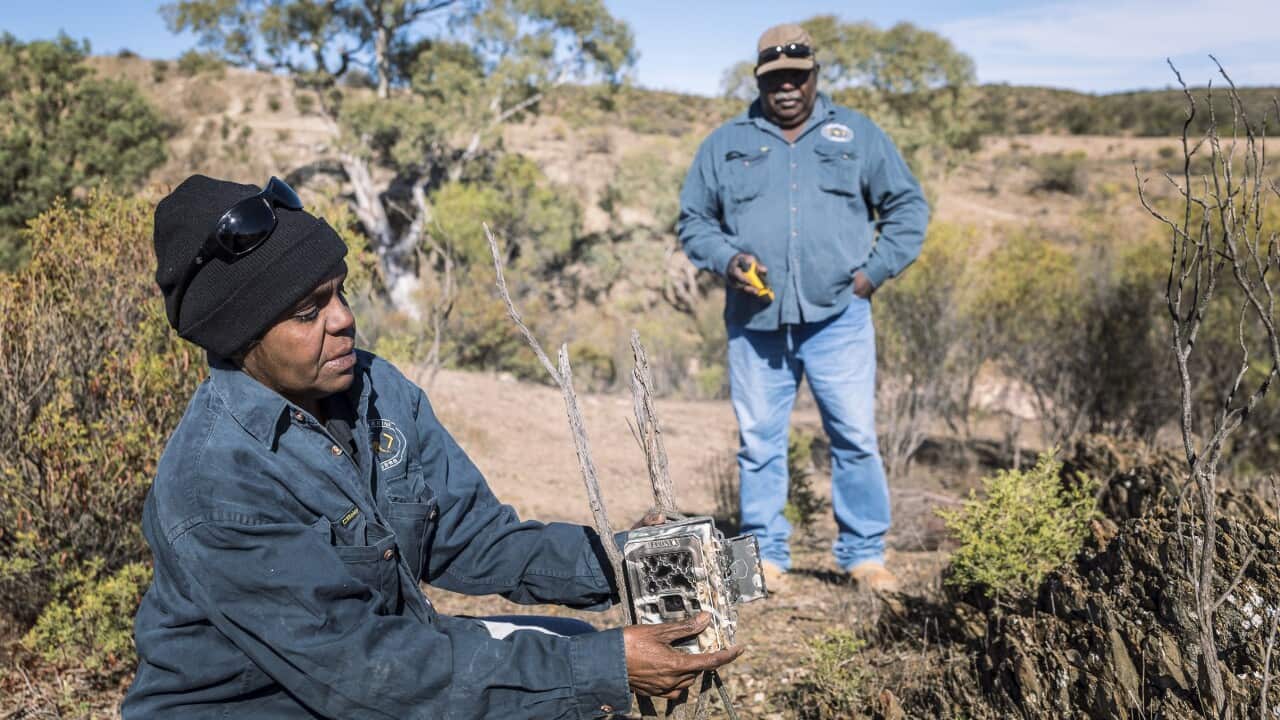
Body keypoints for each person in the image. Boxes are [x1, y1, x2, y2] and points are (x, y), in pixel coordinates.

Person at [123, 175, 741, 718]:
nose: (342, 319)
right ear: (240, 339)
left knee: (578, 659)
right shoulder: (217, 484)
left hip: (372, 672)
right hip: (263, 704)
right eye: (307, 312)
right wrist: (605, 667)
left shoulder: (374, 389)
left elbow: (475, 538)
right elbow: (366, 672)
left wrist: (635, 561)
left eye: (339, 292)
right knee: (583, 674)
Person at [678, 24, 929, 592]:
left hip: (839, 316)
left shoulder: (857, 135)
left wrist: (873, 273)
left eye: (797, 76)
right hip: (755, 323)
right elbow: (694, 221)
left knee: (854, 437)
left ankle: (864, 556)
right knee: (759, 443)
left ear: (814, 75)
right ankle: (763, 559)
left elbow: (908, 207)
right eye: (776, 79)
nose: (787, 88)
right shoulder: (725, 143)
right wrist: (728, 259)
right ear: (759, 81)